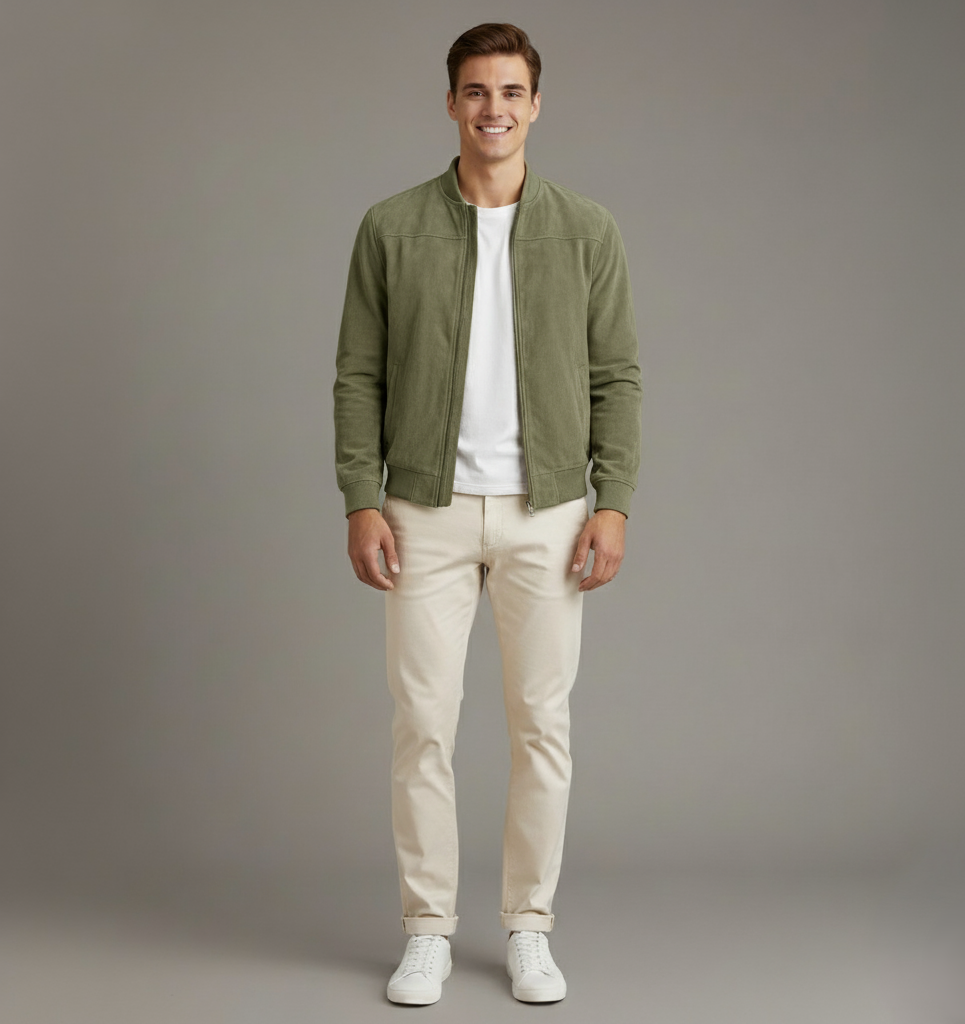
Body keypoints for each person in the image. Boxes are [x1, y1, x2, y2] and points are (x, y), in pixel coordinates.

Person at [333, 22, 642, 1005]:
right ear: (451, 103)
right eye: (476, 91)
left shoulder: (586, 230)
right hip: (421, 511)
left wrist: (613, 501)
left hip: (547, 512)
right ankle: (427, 928)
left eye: (510, 92)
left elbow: (616, 375)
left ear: (535, 105)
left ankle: (527, 926)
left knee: (541, 726)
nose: (493, 109)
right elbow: (357, 374)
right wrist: (361, 498)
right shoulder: (391, 227)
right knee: (422, 724)